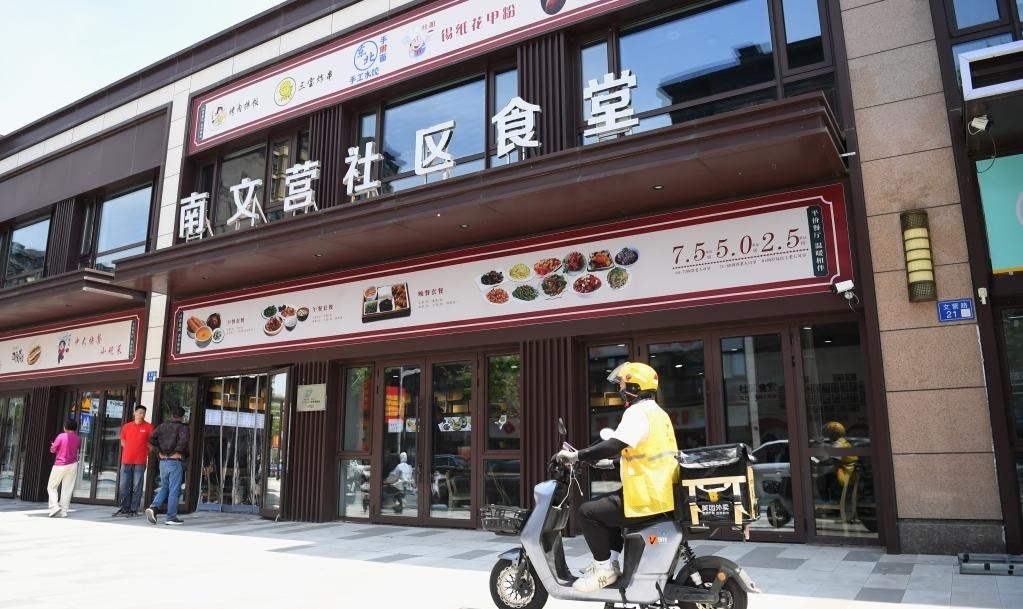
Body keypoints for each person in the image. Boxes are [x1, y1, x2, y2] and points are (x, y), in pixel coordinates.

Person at [555, 362, 678, 592]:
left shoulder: (637, 412)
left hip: (645, 498)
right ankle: (610, 563)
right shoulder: (659, 413)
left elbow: (614, 444)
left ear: (634, 387)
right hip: (658, 493)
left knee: (587, 512)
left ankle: (604, 569)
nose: (620, 389)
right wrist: (610, 463)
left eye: (622, 384)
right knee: (605, 510)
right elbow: (648, 454)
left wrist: (576, 456)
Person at [145, 407, 189, 526]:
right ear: (182, 417)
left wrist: (159, 451)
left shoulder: (162, 426)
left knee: (165, 487)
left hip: (163, 462)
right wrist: (176, 452)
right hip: (174, 462)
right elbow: (183, 441)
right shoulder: (183, 428)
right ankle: (171, 517)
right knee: (174, 490)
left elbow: (151, 439)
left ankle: (153, 508)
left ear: (171, 415)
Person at [113, 405, 154, 517]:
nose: (142, 415)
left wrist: (146, 451)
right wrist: (129, 448)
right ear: (134, 413)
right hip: (126, 460)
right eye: (140, 412)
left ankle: (134, 509)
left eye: (143, 413)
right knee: (124, 485)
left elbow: (152, 443)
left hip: (140, 461)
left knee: (137, 486)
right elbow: (122, 440)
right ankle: (125, 508)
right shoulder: (127, 426)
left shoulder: (149, 427)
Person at [47, 419, 81, 518]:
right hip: (73, 465)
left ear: (65, 427)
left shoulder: (61, 436)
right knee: (67, 489)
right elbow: (76, 449)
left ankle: (54, 507)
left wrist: (53, 446)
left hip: (60, 464)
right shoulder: (78, 439)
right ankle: (63, 512)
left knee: (52, 487)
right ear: (75, 429)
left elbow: (53, 450)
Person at [822, 420, 858, 494]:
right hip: (851, 472)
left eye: (827, 432)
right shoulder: (843, 441)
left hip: (845, 474)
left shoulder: (838, 445)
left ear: (833, 433)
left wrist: (818, 463)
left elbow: (832, 461)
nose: (825, 435)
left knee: (823, 480)